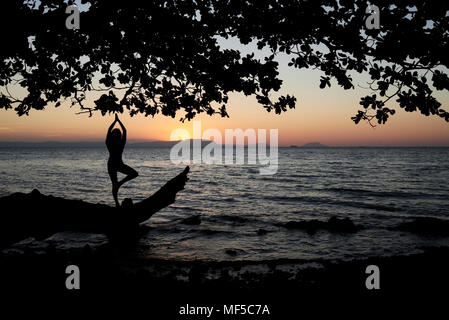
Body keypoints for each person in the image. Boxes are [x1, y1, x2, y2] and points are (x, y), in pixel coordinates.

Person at [106, 114, 138, 207]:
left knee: (115, 184)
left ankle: (117, 201)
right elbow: (124, 130)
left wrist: (115, 121)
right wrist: (118, 121)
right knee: (132, 175)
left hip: (114, 164)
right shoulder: (120, 143)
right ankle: (116, 202)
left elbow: (109, 131)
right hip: (115, 164)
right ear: (119, 135)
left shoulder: (110, 143)